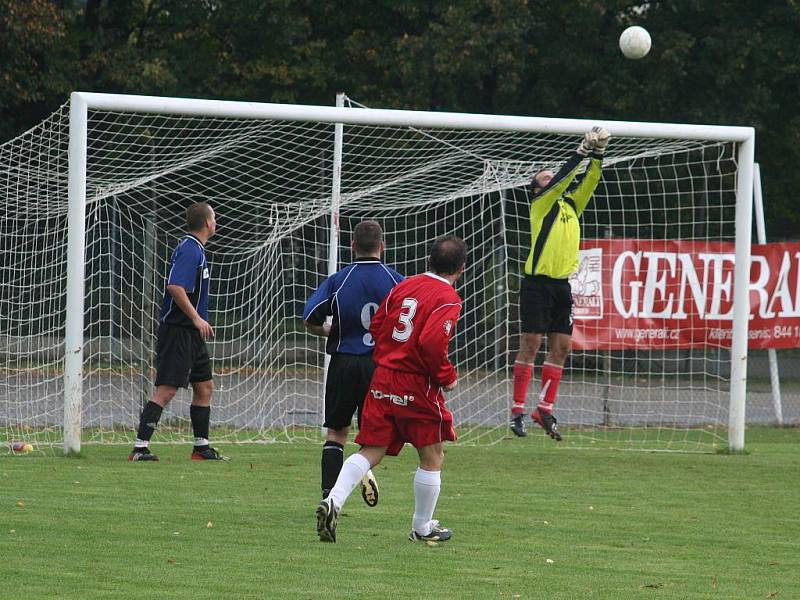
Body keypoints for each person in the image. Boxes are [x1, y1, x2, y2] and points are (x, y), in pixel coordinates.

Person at [315, 235, 467, 543]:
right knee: (432, 455)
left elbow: (377, 325)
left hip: (383, 377)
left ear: (428, 260)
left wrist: (391, 355)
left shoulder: (404, 285)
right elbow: (431, 342)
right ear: (461, 269)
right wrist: (446, 375)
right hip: (415, 383)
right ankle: (422, 528)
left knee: (372, 448)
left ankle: (333, 500)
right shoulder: (448, 297)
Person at [509, 126, 610, 440]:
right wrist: (580, 151)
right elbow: (566, 177)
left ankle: (545, 409)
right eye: (544, 177)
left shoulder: (570, 205)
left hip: (562, 286)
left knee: (563, 347)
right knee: (531, 344)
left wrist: (598, 153)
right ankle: (517, 412)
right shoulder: (541, 205)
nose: (550, 178)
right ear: (537, 189)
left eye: (551, 175)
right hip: (537, 284)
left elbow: (589, 181)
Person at [302, 220, 403, 506]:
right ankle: (361, 471)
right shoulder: (396, 281)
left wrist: (327, 330)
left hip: (344, 363)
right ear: (382, 247)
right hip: (380, 367)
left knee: (336, 432)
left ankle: (329, 495)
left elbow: (310, 317)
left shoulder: (339, 280)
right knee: (375, 437)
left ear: (352, 246)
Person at [128, 201, 227, 461]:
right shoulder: (190, 250)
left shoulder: (198, 250)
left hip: (193, 335)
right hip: (178, 331)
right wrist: (196, 318)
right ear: (207, 223)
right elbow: (175, 286)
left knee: (204, 386)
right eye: (214, 218)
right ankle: (139, 448)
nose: (216, 222)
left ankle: (201, 447)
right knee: (167, 389)